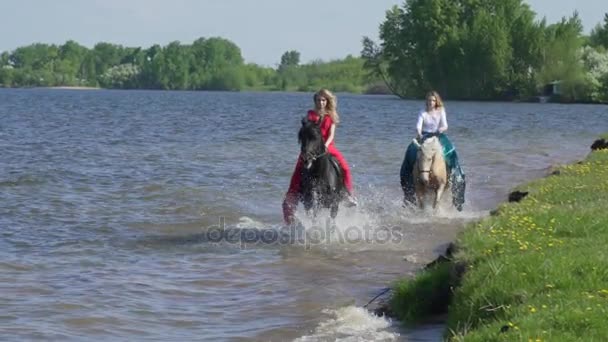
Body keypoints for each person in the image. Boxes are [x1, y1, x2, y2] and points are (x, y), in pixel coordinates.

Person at [282, 89, 357, 224]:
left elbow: (331, 135)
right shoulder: (310, 115)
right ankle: (292, 195)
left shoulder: (331, 116)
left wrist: (326, 145)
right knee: (299, 168)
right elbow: (307, 129)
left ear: (327, 101)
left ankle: (348, 195)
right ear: (315, 101)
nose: (321, 102)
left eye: (323, 100)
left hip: (328, 147)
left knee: (344, 167)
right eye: (318, 100)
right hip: (311, 147)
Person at [400, 90, 466, 210]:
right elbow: (418, 125)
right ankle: (407, 184)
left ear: (436, 102)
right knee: (410, 151)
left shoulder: (441, 111)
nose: (431, 102)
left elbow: (445, 125)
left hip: (438, 136)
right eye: (429, 100)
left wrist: (441, 130)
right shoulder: (423, 112)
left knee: (451, 152)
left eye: (433, 100)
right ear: (427, 101)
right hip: (424, 136)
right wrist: (419, 133)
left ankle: (457, 178)